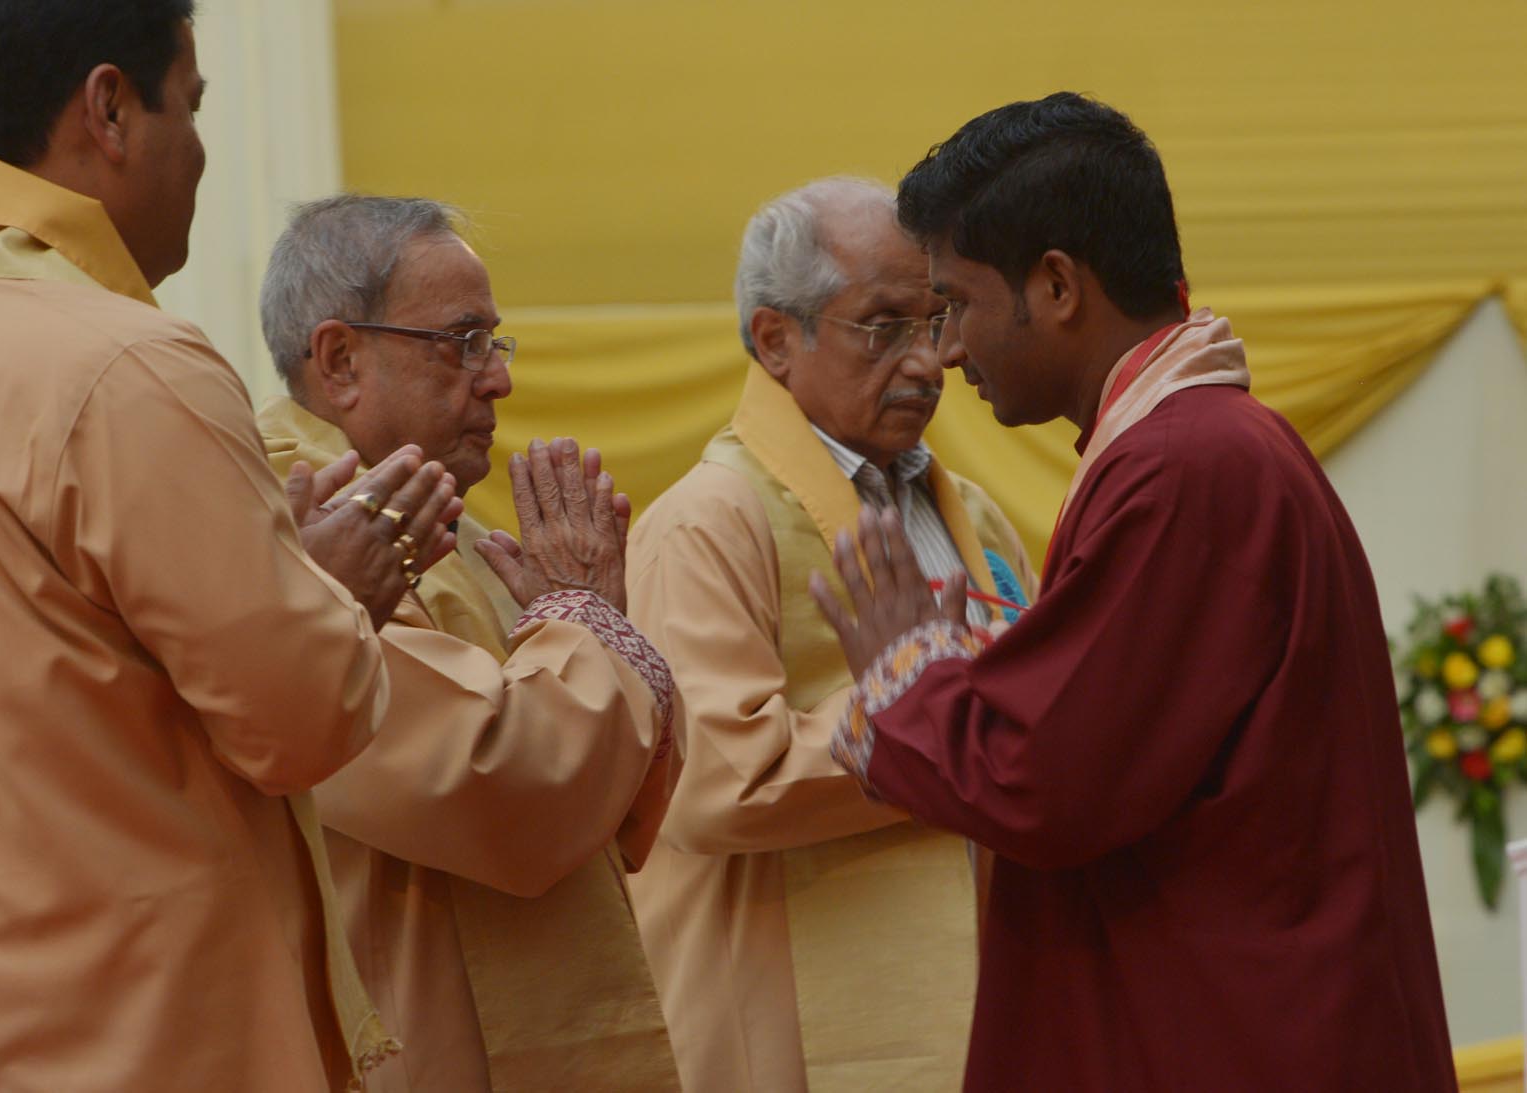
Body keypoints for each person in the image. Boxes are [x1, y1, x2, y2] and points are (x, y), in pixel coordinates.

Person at [813, 93, 1457, 1092]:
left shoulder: (1182, 466)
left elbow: (1051, 777)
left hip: (1230, 1038)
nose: (944, 352)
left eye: (957, 306)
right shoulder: (1201, 447)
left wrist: (905, 681)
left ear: (1058, 285)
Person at [0, 4, 461, 1090]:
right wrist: (330, 593)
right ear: (110, 107)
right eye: (190, 104)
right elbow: (300, 717)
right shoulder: (125, 366)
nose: (199, 149)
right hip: (141, 1036)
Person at [256, 194, 680, 1092]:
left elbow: (610, 816)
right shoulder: (292, 529)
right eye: (461, 342)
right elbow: (505, 789)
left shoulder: (440, 520)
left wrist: (583, 629)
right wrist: (586, 623)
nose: (497, 380)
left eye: (495, 343)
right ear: (339, 361)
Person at [626, 177, 1036, 1091]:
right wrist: (925, 706)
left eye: (935, 322)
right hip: (790, 1027)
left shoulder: (971, 514)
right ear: (775, 340)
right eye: (882, 327)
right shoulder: (708, 521)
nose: (928, 363)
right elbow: (716, 781)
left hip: (986, 1000)